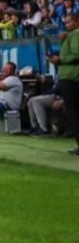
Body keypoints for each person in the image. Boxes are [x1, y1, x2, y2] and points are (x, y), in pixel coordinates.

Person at [48, 11, 79, 155]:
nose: (66, 25)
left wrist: (60, 60)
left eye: (68, 22)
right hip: (71, 77)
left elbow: (76, 54)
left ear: (76, 22)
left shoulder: (76, 34)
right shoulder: (71, 36)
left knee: (73, 112)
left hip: (72, 77)